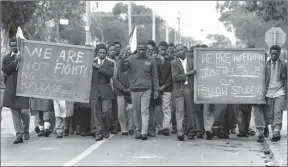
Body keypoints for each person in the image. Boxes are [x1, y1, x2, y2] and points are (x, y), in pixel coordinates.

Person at [122, 42, 159, 140]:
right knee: (136, 111)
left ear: (146, 50)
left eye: (143, 49)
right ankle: (137, 130)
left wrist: (156, 90)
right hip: (134, 89)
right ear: (137, 49)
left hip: (147, 89)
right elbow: (122, 69)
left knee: (145, 111)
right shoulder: (130, 59)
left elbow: (155, 76)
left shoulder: (151, 60)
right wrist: (123, 61)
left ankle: (144, 132)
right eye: (139, 49)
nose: (141, 51)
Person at [254, 45, 287, 143]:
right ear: (269, 53)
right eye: (272, 53)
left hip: (280, 91)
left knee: (277, 112)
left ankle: (276, 132)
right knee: (269, 114)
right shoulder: (265, 64)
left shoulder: (284, 64)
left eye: (275, 54)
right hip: (268, 92)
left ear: (279, 54)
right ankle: (268, 129)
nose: (273, 56)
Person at [2, 37, 30, 144]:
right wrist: (15, 61)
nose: (14, 47)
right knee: (15, 113)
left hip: (23, 88)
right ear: (10, 46)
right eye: (12, 46)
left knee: (24, 112)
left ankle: (26, 129)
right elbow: (5, 70)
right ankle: (19, 135)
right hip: (12, 89)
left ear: (19, 46)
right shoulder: (6, 58)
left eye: (16, 45)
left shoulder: (26, 56)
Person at [171, 44, 197, 141]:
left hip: (189, 88)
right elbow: (175, 77)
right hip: (179, 88)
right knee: (180, 110)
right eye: (176, 51)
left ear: (184, 50)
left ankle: (190, 131)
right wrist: (188, 73)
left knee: (190, 110)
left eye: (179, 50)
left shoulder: (192, 61)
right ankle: (180, 132)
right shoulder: (173, 63)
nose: (178, 52)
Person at [90, 44, 114, 141]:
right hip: (95, 90)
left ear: (106, 53)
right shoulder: (91, 62)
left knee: (106, 112)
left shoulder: (110, 63)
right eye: (100, 53)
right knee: (96, 113)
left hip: (105, 91)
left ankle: (106, 128)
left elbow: (110, 74)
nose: (102, 54)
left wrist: (98, 67)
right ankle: (99, 132)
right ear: (97, 53)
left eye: (104, 53)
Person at [154, 41, 174, 136]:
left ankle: (166, 127)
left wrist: (165, 85)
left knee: (166, 107)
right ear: (158, 48)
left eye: (164, 49)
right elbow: (153, 74)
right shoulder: (154, 59)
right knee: (157, 108)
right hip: (157, 87)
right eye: (161, 49)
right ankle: (160, 127)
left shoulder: (172, 60)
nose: (162, 50)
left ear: (167, 49)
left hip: (167, 87)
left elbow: (172, 75)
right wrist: (157, 86)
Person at [116, 46, 135, 135]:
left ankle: (131, 127)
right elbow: (115, 79)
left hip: (131, 92)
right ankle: (124, 128)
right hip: (120, 92)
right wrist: (122, 88)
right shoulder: (118, 68)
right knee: (121, 112)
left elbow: (136, 79)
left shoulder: (133, 69)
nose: (126, 62)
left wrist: (130, 88)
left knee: (131, 110)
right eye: (125, 60)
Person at [108, 44, 120, 134]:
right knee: (107, 109)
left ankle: (114, 126)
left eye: (114, 50)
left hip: (116, 87)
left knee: (115, 108)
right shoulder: (105, 60)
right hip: (107, 86)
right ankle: (107, 126)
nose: (112, 51)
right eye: (111, 50)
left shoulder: (119, 61)